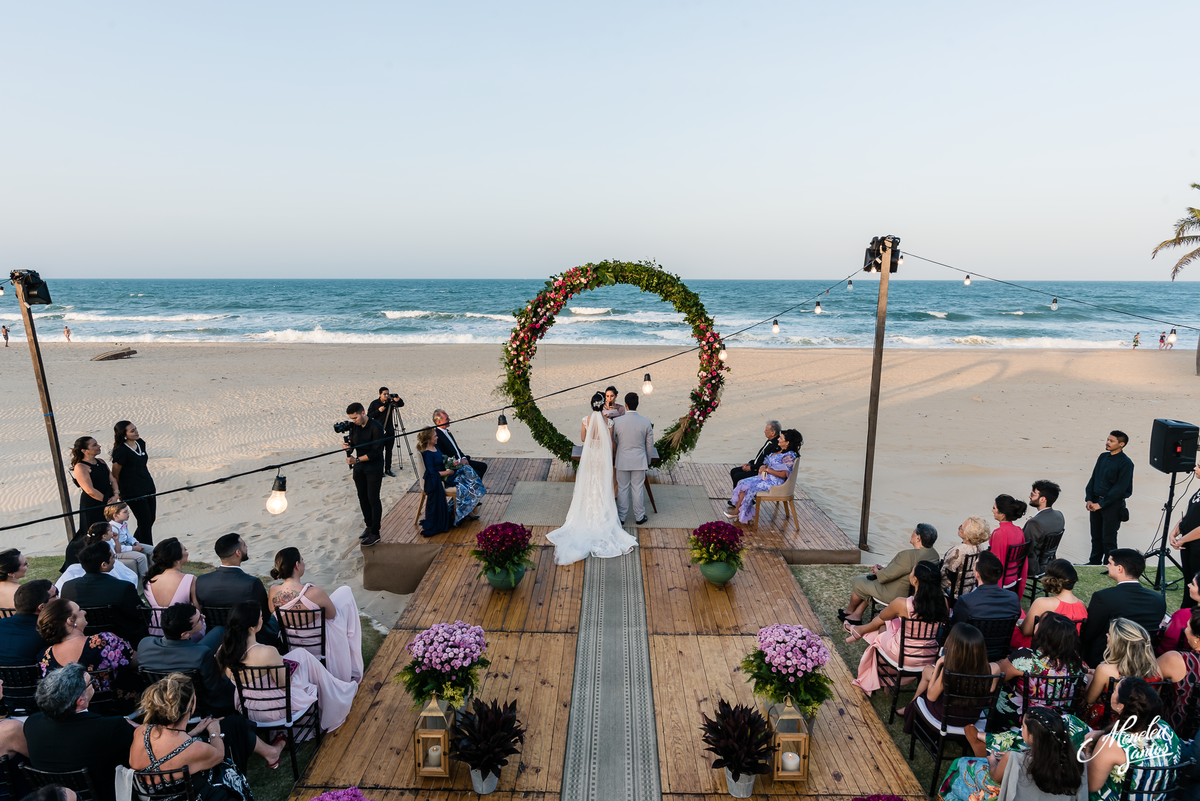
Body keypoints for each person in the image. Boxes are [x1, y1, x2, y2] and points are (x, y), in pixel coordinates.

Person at [216, 601, 357, 733]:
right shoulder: (267, 652)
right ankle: (336, 695)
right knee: (304, 663)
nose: (262, 619)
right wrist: (291, 669)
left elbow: (222, 676)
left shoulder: (223, 650)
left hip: (246, 707)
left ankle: (334, 689)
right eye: (260, 617)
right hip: (274, 708)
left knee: (301, 654)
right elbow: (284, 685)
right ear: (252, 627)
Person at [129, 674, 263, 801]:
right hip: (189, 796)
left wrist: (194, 732)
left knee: (233, 725)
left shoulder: (141, 731)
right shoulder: (195, 749)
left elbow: (166, 751)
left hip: (154, 796)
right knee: (227, 756)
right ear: (191, 707)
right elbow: (219, 755)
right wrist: (214, 731)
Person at [546, 393, 639, 565]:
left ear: (591, 405)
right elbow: (610, 443)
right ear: (602, 405)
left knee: (588, 485)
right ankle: (602, 516)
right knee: (601, 486)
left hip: (590, 458)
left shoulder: (586, 420)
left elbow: (583, 439)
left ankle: (585, 515)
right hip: (602, 459)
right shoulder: (608, 422)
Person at [22, 663, 135, 801]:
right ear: (80, 701)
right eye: (90, 682)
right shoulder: (111, 728)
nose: (93, 684)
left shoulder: (32, 723)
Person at [938, 706, 1087, 801]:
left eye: (1022, 727)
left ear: (1033, 737)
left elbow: (995, 776)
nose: (1020, 730)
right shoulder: (1078, 761)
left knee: (963, 764)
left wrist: (992, 760)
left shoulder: (1015, 759)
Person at [847, 560, 948, 694]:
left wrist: (896, 616)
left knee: (883, 627)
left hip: (902, 655)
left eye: (911, 572)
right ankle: (860, 631)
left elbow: (883, 615)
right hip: (929, 656)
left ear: (915, 580)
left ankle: (859, 632)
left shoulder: (902, 603)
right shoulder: (944, 603)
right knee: (892, 625)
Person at [268, 548, 364, 683]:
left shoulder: (273, 592)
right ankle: (351, 660)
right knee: (345, 591)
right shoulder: (315, 592)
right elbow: (332, 616)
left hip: (293, 646)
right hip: (319, 646)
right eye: (302, 560)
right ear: (297, 565)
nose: (304, 563)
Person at [1080, 678, 1180, 800]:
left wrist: (1088, 749)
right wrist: (1101, 733)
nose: (1112, 693)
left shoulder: (1112, 744)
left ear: (1120, 706)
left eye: (1115, 691)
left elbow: (1091, 785)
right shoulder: (1165, 728)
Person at [37, 598, 140, 710]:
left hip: (77, 714)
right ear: (70, 620)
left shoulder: (45, 656)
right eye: (79, 610)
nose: (84, 612)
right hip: (120, 707)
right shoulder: (102, 641)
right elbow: (137, 661)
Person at [992, 612, 1085, 730]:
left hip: (1018, 720)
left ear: (1044, 634)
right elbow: (1086, 674)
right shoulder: (1075, 661)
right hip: (1057, 723)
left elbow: (998, 675)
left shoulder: (1026, 658)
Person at [899, 623, 1001, 731]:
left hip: (946, 716)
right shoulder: (994, 669)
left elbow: (931, 697)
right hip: (971, 717)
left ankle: (910, 709)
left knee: (925, 691)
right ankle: (909, 708)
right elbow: (989, 699)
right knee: (929, 674)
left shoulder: (949, 670)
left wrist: (938, 664)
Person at [137, 604, 234, 715]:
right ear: (185, 634)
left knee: (219, 631)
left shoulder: (144, 644)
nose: (204, 617)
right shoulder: (202, 655)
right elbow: (214, 690)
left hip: (162, 699)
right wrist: (224, 668)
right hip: (197, 704)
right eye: (199, 620)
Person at [1078, 548, 1166, 668]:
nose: (1107, 566)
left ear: (1120, 568)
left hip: (1105, 659)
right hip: (1142, 661)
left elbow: (1088, 633)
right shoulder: (1158, 599)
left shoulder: (1103, 597)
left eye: (1109, 563)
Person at [838, 524, 940, 625]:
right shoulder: (934, 554)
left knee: (859, 581)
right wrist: (884, 570)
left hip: (896, 594)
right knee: (870, 584)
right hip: (914, 592)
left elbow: (884, 577)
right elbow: (901, 571)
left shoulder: (907, 555)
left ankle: (850, 611)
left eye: (913, 532)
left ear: (918, 537)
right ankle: (856, 615)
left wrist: (877, 571)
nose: (911, 534)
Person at [195, 534, 281, 648]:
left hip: (214, 639)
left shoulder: (202, 581)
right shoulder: (252, 583)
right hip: (246, 639)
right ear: (238, 553)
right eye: (244, 545)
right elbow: (264, 617)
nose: (246, 548)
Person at [59, 542, 148, 646]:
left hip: (84, 639)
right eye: (113, 557)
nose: (114, 560)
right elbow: (141, 614)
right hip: (123, 640)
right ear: (104, 565)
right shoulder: (123, 587)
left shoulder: (68, 587)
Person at [1082, 619, 1161, 726]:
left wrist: (1091, 677)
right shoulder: (1156, 668)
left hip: (1107, 723)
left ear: (1118, 644)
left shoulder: (1105, 669)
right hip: (1141, 723)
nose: (1106, 635)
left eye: (1110, 634)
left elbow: (1089, 699)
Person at [726, 428, 801, 525]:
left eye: (781, 438)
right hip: (767, 477)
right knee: (742, 482)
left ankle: (740, 512)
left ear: (787, 443)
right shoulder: (779, 450)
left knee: (750, 487)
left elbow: (783, 474)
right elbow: (769, 463)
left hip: (775, 482)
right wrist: (763, 466)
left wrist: (768, 470)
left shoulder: (789, 456)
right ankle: (739, 511)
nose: (778, 439)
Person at [1084, 430, 1134, 564]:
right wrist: (1089, 498)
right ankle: (1093, 562)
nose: (1107, 443)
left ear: (1121, 444)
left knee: (1108, 539)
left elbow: (1120, 488)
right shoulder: (1102, 457)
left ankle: (1110, 565)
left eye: (1111, 441)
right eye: (1108, 439)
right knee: (1095, 536)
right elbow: (1094, 478)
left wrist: (1101, 504)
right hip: (1095, 501)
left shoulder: (1126, 463)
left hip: (1113, 505)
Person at [1012, 559, 1086, 649]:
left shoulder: (1042, 603)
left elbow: (1026, 631)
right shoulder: (1083, 605)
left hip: (1042, 648)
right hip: (1068, 650)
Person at [144, 538, 206, 641]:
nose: (187, 553)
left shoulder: (149, 582)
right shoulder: (189, 579)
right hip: (183, 633)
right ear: (177, 561)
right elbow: (197, 610)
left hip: (155, 632)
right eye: (185, 550)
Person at [947, 550, 1022, 635]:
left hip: (971, 647)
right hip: (999, 647)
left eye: (975, 563)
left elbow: (954, 629)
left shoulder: (966, 601)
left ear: (977, 574)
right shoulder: (1013, 598)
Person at [343, 402, 385, 546]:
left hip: (373, 467)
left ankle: (375, 532)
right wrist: (347, 448)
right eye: (351, 418)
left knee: (373, 498)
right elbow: (353, 445)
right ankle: (369, 526)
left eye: (355, 418)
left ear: (363, 413)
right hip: (359, 468)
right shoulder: (354, 427)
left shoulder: (376, 427)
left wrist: (357, 459)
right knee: (362, 497)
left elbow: (376, 452)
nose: (353, 421)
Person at [110, 421, 157, 545]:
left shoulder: (140, 443)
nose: (136, 432)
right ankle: (149, 552)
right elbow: (115, 474)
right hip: (132, 491)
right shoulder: (121, 451)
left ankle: (134, 544)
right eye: (132, 431)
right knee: (144, 521)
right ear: (124, 435)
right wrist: (118, 491)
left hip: (148, 486)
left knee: (150, 520)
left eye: (135, 429)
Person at [612, 393, 655, 526]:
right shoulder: (646, 421)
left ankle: (621, 517)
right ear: (637, 404)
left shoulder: (617, 421)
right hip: (639, 460)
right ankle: (639, 517)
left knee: (623, 488)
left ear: (625, 405)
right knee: (637, 489)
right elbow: (650, 445)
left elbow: (613, 440)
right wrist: (647, 460)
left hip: (622, 460)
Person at [1155, 607, 1200, 734]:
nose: (1185, 630)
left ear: (1197, 638)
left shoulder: (1177, 660)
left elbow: (1144, 681)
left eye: (1188, 627)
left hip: (1172, 731)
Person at [57, 523, 140, 591]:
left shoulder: (108, 542)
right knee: (129, 577)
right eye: (110, 531)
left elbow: (117, 552)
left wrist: (116, 540)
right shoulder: (99, 548)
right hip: (100, 567)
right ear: (104, 536)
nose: (113, 532)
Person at [68, 435, 117, 538]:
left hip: (109, 500)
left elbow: (112, 480)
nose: (99, 446)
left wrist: (116, 495)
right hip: (93, 504)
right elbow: (90, 490)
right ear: (84, 451)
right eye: (94, 445)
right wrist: (107, 502)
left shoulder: (101, 462)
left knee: (109, 530)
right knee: (94, 532)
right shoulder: (81, 467)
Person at [0, 580, 54, 665]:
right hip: (36, 677)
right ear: (42, 607)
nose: (58, 598)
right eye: (56, 595)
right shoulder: (49, 633)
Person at [1171, 461, 1200, 610]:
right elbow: (1189, 515)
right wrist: (1175, 531)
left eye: (1199, 466)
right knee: (1189, 580)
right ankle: (1185, 612)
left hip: (1197, 546)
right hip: (1188, 544)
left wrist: (1182, 539)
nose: (1195, 468)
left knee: (1197, 582)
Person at [989, 494, 1029, 597]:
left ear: (1002, 514)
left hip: (1002, 578)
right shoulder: (1019, 530)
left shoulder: (999, 533)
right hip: (1014, 575)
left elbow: (996, 562)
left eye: (994, 508)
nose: (992, 510)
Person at [940, 516, 991, 597]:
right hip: (970, 588)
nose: (958, 528)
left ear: (967, 534)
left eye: (961, 528)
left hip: (952, 591)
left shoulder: (958, 551)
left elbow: (945, 574)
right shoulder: (980, 547)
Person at [432, 408, 488, 481]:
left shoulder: (447, 431)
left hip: (461, 460)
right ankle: (472, 487)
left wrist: (464, 458)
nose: (449, 420)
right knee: (477, 473)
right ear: (439, 422)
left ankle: (474, 486)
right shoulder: (437, 437)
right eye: (447, 419)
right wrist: (460, 462)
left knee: (483, 466)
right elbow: (443, 458)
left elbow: (456, 449)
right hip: (454, 465)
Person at [1025, 480, 1065, 577]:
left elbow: (1025, 549)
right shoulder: (1059, 515)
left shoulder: (1034, 523)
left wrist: (1028, 526)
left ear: (1043, 499)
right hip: (1050, 563)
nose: (1029, 496)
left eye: (1033, 494)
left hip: (1034, 567)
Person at [416, 427, 451, 537]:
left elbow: (442, 460)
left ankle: (465, 512)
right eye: (435, 436)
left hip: (444, 475)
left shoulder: (435, 447)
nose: (437, 437)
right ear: (428, 439)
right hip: (437, 479)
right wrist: (448, 473)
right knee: (464, 484)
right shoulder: (427, 454)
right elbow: (432, 473)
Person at [729, 421, 780, 491]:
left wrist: (751, 468)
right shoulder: (770, 441)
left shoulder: (776, 444)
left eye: (766, 430)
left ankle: (741, 499)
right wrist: (749, 463)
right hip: (755, 466)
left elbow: (767, 463)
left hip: (761, 471)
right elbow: (760, 457)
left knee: (738, 476)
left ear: (773, 432)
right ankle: (737, 497)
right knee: (734, 471)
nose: (764, 431)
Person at [104, 503, 148, 584]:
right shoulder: (112, 528)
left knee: (151, 549)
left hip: (128, 545)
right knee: (141, 557)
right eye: (125, 512)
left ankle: (157, 573)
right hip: (119, 551)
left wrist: (136, 543)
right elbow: (116, 548)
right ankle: (145, 581)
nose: (128, 513)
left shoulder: (123, 523)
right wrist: (134, 548)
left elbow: (129, 537)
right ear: (115, 516)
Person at [1159, 572, 1200, 653]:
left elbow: (1167, 644)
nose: (1189, 585)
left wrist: (1162, 627)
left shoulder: (1183, 615)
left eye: (1193, 584)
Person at [366, 387, 398, 478]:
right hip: (379, 431)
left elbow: (401, 404)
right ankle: (380, 470)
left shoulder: (390, 402)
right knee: (379, 451)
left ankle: (388, 469)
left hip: (390, 430)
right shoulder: (374, 403)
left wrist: (397, 399)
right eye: (384, 394)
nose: (386, 395)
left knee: (389, 451)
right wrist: (378, 411)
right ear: (380, 394)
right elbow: (369, 416)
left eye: (388, 394)